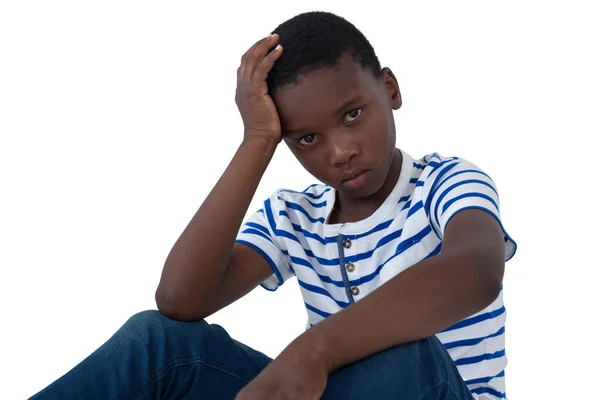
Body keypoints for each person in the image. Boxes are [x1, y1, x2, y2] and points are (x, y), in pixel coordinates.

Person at [30, 10, 517, 400]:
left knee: (407, 356)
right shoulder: (295, 216)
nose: (339, 150)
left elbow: (475, 272)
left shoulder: (445, 182)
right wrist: (258, 139)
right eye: (306, 138)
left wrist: (313, 352)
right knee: (158, 340)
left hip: (432, 389)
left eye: (352, 114)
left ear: (389, 90)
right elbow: (181, 302)